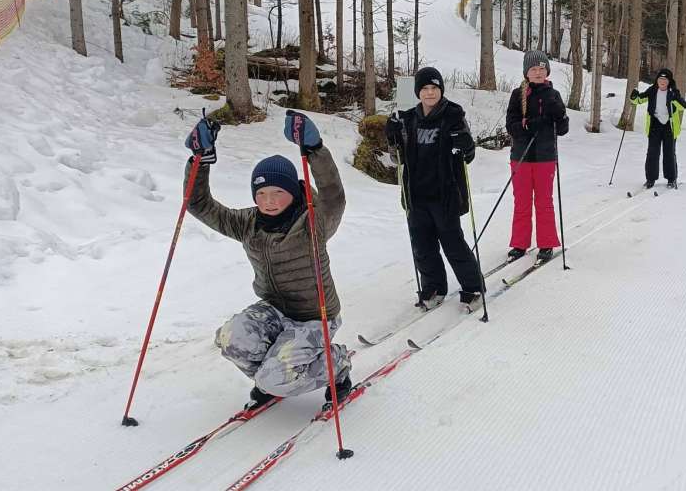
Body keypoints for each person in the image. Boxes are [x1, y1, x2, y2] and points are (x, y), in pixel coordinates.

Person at [183, 111, 351, 410]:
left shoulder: (313, 221)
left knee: (274, 378)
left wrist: (314, 150)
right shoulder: (248, 222)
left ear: (293, 193)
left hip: (316, 316)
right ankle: (274, 376)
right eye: (261, 193)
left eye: (278, 192)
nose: (269, 201)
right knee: (230, 339)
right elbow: (198, 205)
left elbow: (333, 195)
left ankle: (335, 362)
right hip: (274, 310)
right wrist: (199, 160)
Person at [385, 66, 484, 309]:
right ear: (418, 92)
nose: (430, 93)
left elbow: (467, 156)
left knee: (453, 243)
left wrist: (465, 144)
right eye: (425, 89)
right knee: (422, 246)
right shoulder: (407, 119)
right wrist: (392, 138)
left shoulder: (453, 115)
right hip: (416, 195)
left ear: (440, 90)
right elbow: (396, 159)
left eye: (434, 88)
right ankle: (434, 287)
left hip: (445, 194)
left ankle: (473, 288)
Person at [505, 51, 569, 263]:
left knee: (544, 202)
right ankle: (520, 243)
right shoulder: (518, 94)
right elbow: (511, 125)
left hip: (545, 157)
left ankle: (546, 243)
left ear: (547, 71)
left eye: (542, 69)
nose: (538, 72)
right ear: (527, 73)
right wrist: (528, 126)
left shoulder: (553, 95)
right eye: (534, 69)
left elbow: (562, 129)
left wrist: (559, 114)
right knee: (521, 202)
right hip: (521, 156)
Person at [630, 67, 686, 189]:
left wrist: (675, 98)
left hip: (669, 126)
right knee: (652, 153)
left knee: (669, 153)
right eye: (660, 79)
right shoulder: (652, 90)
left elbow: (683, 106)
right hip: (655, 124)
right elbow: (639, 100)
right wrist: (634, 97)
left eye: (665, 80)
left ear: (669, 82)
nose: (662, 82)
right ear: (657, 80)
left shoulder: (673, 92)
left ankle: (671, 179)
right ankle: (650, 179)